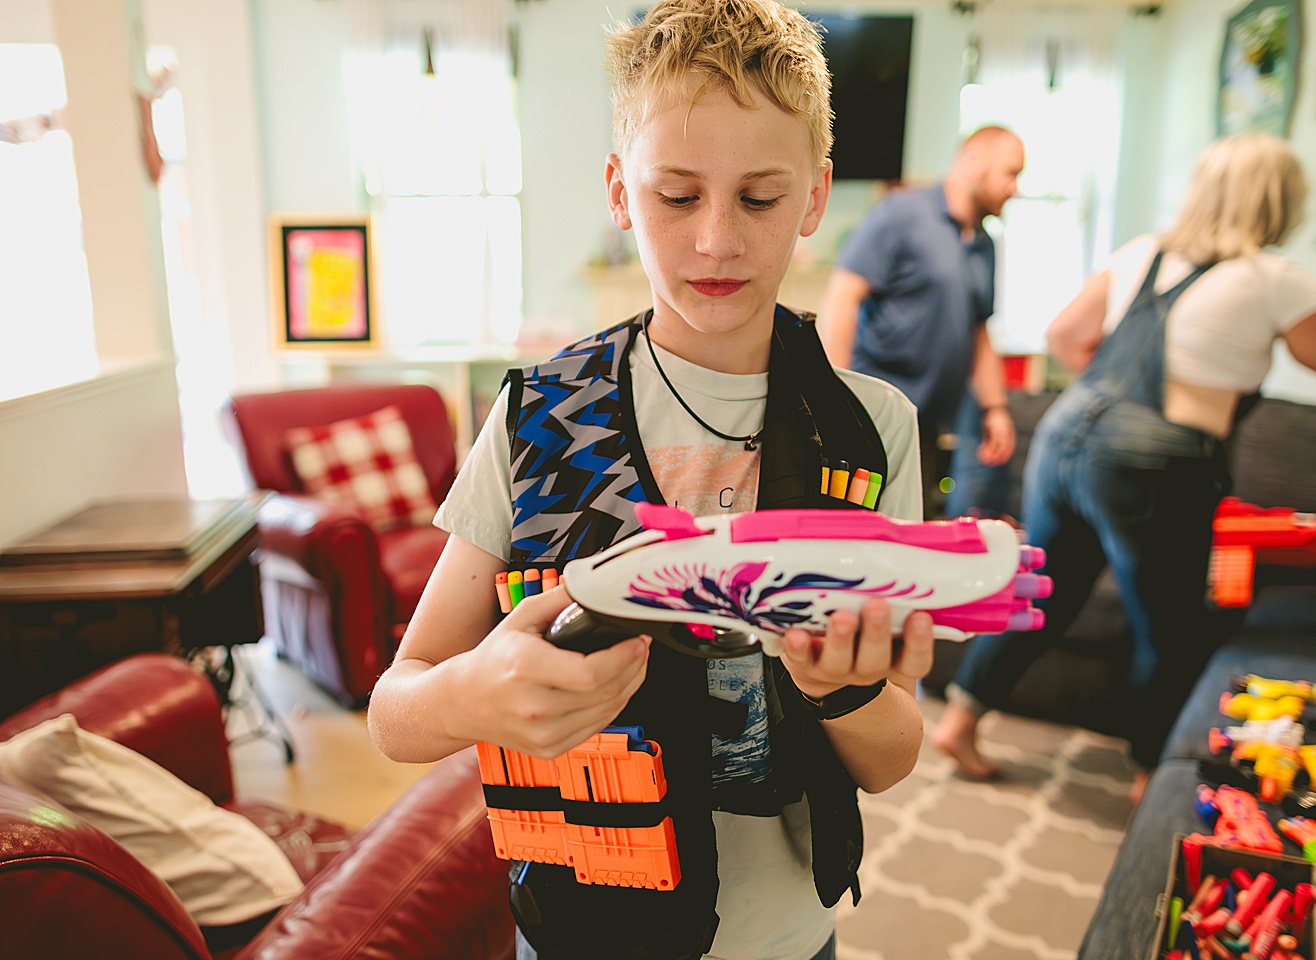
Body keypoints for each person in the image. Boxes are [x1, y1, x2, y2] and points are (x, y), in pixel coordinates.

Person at [366, 3, 934, 959]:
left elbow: (894, 755)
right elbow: (395, 709)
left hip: (788, 938)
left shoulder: (871, 432)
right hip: (582, 929)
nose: (717, 241)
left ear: (815, 197)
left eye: (759, 198)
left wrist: (842, 693)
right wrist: (471, 696)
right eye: (678, 196)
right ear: (620, 191)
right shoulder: (535, 416)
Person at [929, 132, 1316, 798]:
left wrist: (1113, 408)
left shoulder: (1142, 254)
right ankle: (1149, 774)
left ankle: (961, 718)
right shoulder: (1273, 280)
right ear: (1278, 200)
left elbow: (1064, 335)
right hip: (1153, 464)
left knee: (1044, 591)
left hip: (1065, 436)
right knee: (1168, 627)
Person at [819, 127, 1023, 519]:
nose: (1015, 188)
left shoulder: (984, 244)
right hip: (871, 417)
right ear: (973, 159)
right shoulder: (903, 213)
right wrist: (834, 394)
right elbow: (844, 295)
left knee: (912, 531)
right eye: (1010, 173)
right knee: (853, 529)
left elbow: (978, 331)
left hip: (925, 426)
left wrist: (995, 408)